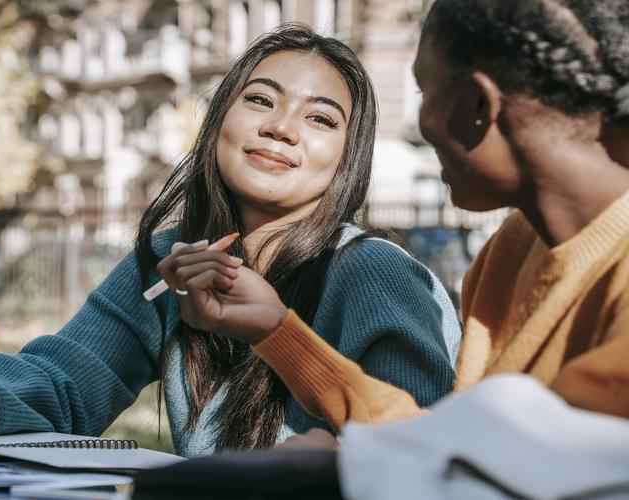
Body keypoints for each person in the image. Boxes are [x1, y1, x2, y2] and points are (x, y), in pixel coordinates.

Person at [0, 24, 461, 456]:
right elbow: (69, 378)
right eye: (259, 99)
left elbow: (415, 447)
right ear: (217, 123)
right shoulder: (170, 259)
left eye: (320, 119)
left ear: (347, 161)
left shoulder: (374, 271)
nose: (280, 128)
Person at [164, 0, 629, 439]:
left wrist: (340, 468)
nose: (419, 118)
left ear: (475, 107)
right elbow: (454, 441)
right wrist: (276, 331)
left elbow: (533, 468)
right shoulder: (511, 252)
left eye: (424, 91)